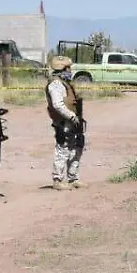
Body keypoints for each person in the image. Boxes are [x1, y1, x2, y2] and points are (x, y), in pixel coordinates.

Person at [46, 55, 85, 190]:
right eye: (68, 68)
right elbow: (58, 105)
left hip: (73, 121)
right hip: (64, 122)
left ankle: (73, 178)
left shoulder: (65, 83)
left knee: (76, 148)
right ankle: (57, 180)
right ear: (62, 68)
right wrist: (71, 116)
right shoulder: (56, 84)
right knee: (63, 149)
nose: (70, 70)